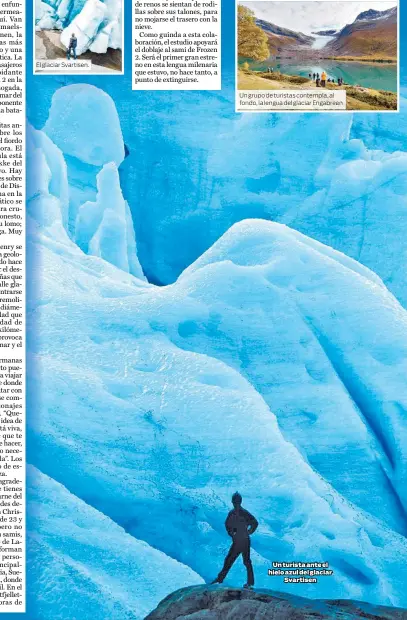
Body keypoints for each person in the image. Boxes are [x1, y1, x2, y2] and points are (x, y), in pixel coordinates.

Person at [211, 492, 258, 589]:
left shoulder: (244, 513)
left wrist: (249, 531)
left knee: (246, 561)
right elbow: (227, 525)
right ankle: (220, 579)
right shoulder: (231, 513)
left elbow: (255, 523)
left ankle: (250, 583)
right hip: (237, 541)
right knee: (229, 560)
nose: (235, 504)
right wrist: (232, 533)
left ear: (239, 502)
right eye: (234, 502)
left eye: (237, 502)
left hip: (244, 541)